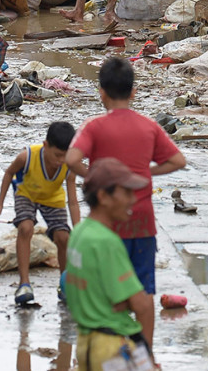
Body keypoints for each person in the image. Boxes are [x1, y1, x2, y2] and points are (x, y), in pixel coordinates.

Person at [66, 57, 187, 348]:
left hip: (109, 222)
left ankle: (113, 343)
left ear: (101, 93)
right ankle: (146, 355)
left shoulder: (94, 126)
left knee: (109, 289)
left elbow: (71, 159)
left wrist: (94, 177)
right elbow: (178, 160)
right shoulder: (148, 126)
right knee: (142, 292)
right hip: (142, 219)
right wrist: (147, 172)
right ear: (133, 92)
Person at [66, 158, 155, 370]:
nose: (133, 200)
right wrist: (147, 360)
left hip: (86, 345)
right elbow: (141, 306)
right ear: (103, 196)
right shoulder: (107, 242)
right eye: (126, 193)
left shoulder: (79, 233)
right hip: (112, 349)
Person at [0, 121, 80, 306]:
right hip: (27, 193)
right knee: (26, 227)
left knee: (64, 237)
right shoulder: (27, 156)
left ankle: (65, 285)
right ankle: (24, 284)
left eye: (65, 156)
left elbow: (72, 200)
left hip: (52, 197)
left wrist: (79, 228)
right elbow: (8, 173)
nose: (60, 160)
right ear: (46, 146)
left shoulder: (70, 166)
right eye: (57, 155)